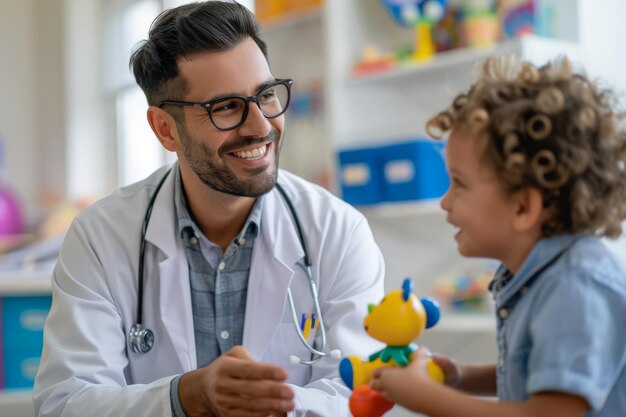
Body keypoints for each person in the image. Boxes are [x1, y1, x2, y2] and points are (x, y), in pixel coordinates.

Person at [33, 2, 385, 416]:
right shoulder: (101, 236)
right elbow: (64, 403)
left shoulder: (337, 230)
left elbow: (361, 394)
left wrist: (269, 406)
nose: (260, 125)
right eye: (226, 108)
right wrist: (184, 396)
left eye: (266, 95)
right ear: (165, 129)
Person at [370, 56, 626, 417]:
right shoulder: (537, 273)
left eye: (459, 184)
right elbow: (538, 376)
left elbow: (549, 413)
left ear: (523, 207)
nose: (444, 201)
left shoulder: (575, 285)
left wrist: (426, 397)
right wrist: (460, 376)